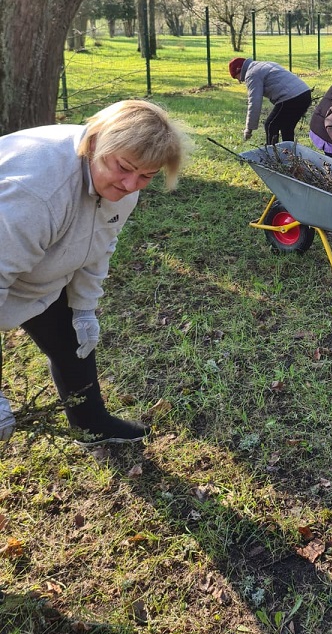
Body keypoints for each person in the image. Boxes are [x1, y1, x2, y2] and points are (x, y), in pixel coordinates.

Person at [0, 100, 193, 446]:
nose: (131, 184)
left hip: (36, 271)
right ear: (94, 144)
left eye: (146, 176)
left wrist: (84, 309)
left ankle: (91, 425)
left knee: (73, 344)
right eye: (124, 168)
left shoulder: (122, 186)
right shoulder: (36, 195)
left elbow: (99, 245)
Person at [229, 57, 312, 144]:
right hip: (304, 93)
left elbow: (254, 102)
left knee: (270, 125)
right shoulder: (263, 64)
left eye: (236, 77)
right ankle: (289, 151)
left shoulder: (252, 74)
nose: (240, 81)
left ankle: (272, 151)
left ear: (239, 70)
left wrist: (248, 129)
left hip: (290, 97)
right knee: (286, 126)